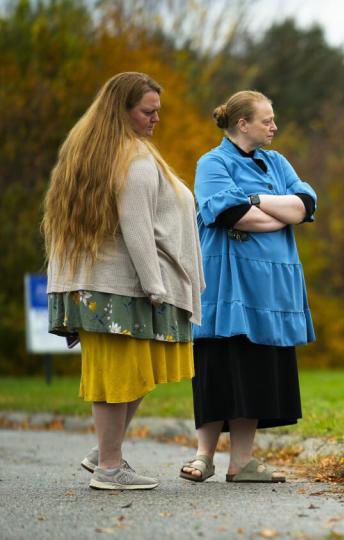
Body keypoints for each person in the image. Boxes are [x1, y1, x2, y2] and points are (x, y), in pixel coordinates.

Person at [44, 72, 204, 490]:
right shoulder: (130, 159)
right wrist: (156, 285)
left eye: (158, 111)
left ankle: (104, 451)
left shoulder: (93, 151)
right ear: (121, 110)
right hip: (121, 285)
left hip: (96, 283)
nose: (156, 119)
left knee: (132, 372)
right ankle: (110, 469)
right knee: (118, 376)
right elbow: (136, 227)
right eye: (147, 111)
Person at [181, 91, 316, 483]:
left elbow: (305, 203)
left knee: (257, 365)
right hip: (227, 282)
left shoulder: (277, 162)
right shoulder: (212, 163)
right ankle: (203, 456)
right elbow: (231, 214)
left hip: (271, 283)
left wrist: (258, 199)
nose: (274, 126)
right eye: (267, 120)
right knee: (218, 361)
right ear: (243, 124)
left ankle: (241, 462)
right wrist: (278, 213)